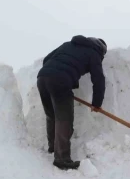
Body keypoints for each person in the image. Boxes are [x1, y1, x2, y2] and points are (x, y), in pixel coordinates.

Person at [37, 35, 107, 170]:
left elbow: (47, 59)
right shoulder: (94, 53)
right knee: (64, 119)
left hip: (42, 77)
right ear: (101, 50)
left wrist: (53, 74)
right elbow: (98, 80)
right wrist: (96, 103)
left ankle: (53, 147)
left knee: (51, 115)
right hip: (61, 80)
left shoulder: (67, 44)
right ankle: (62, 159)